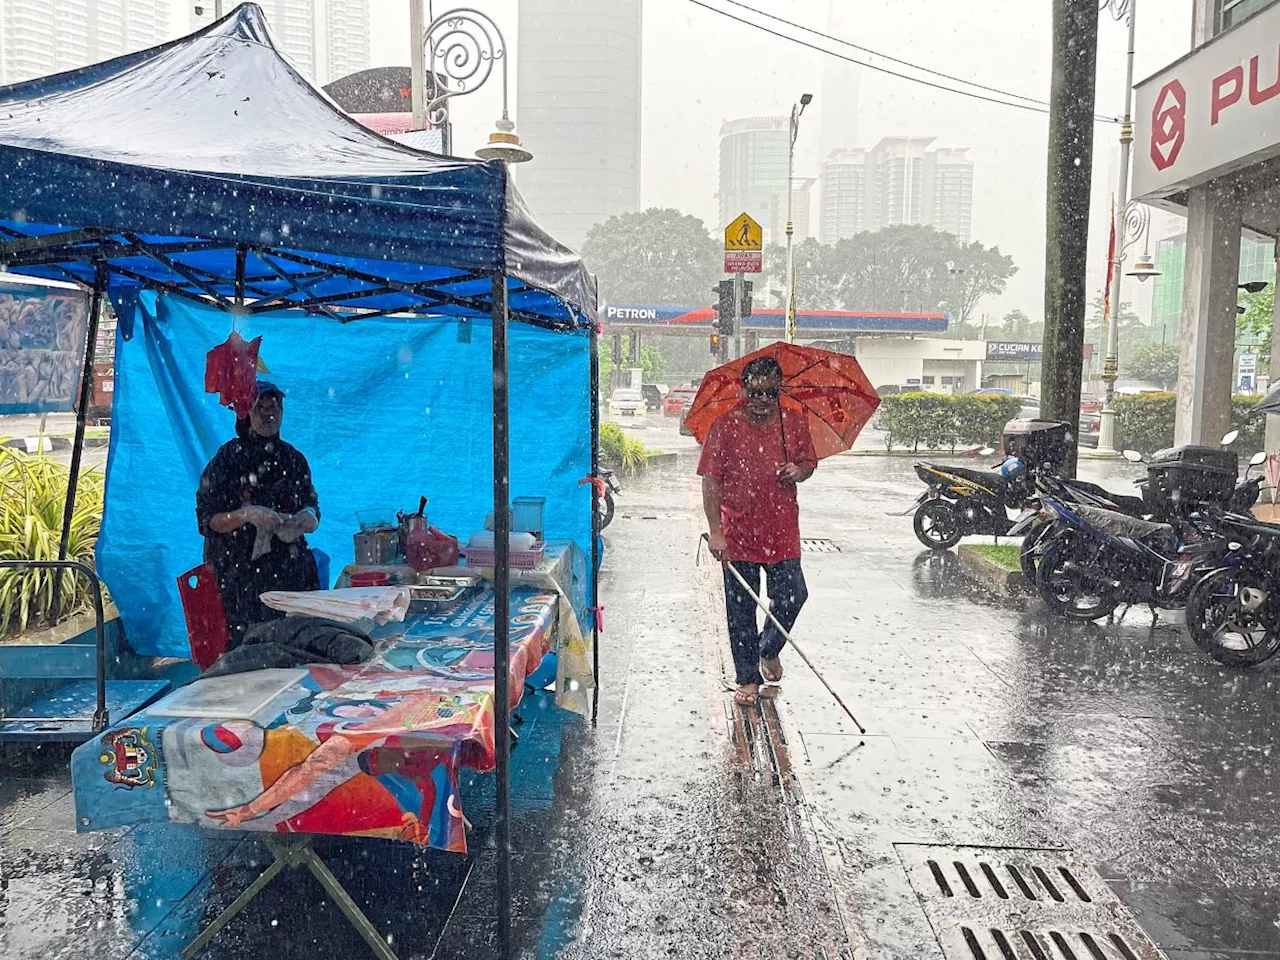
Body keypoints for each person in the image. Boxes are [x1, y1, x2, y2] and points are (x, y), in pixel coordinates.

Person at [698, 356, 817, 706]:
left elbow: (809, 464)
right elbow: (710, 482)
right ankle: (747, 679)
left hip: (782, 532)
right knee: (740, 610)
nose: (763, 400)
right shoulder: (725, 426)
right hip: (738, 534)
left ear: (779, 390)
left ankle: (769, 648)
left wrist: (798, 471)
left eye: (770, 393)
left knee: (794, 595)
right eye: (756, 392)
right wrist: (716, 532)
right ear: (743, 389)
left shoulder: (794, 423)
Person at [196, 380, 321, 648]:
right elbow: (209, 520)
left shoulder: (293, 459)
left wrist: (308, 517)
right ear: (245, 414)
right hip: (241, 578)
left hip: (290, 572)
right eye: (260, 407)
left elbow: (311, 503)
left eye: (275, 407)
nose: (269, 414)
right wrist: (245, 515)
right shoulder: (227, 459)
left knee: (300, 644)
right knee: (253, 652)